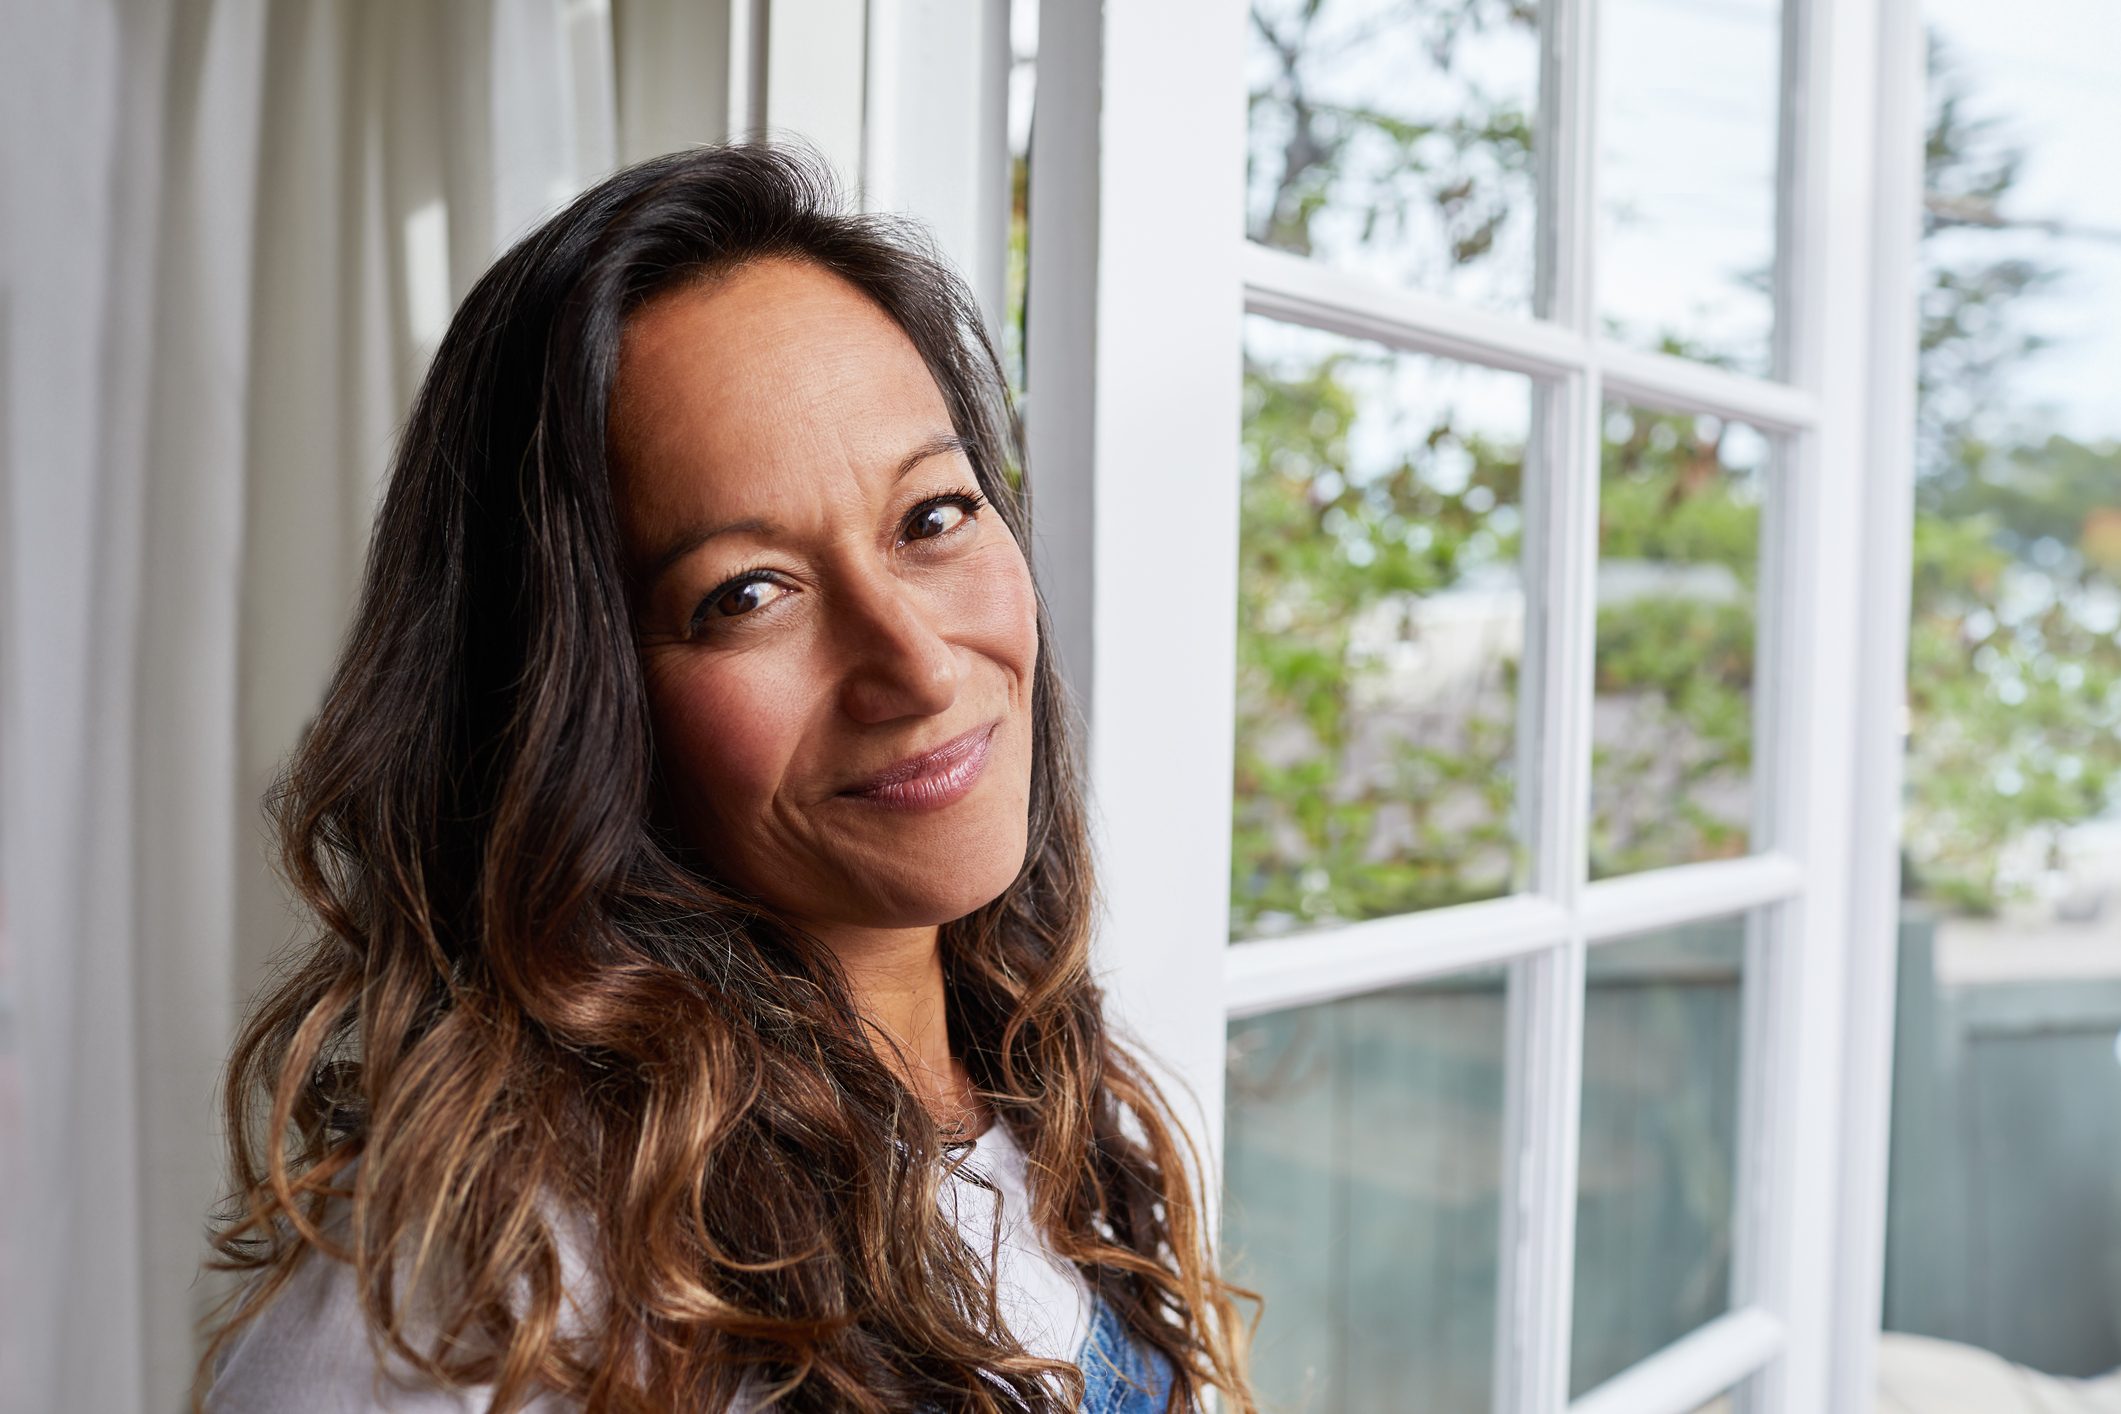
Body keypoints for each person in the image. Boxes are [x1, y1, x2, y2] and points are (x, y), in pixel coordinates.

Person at [192, 139, 1257, 1414]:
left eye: (931, 516)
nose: (915, 665)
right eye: (745, 594)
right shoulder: (487, 1292)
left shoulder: (1056, 1089)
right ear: (576, 706)